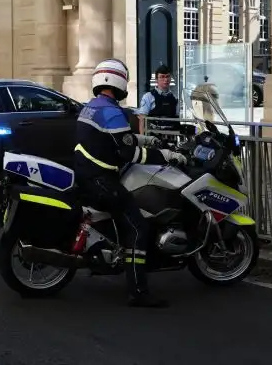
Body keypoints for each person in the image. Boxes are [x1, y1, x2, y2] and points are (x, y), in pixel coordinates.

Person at [74, 58, 188, 308]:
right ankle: (138, 291)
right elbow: (129, 153)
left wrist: (147, 140)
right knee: (137, 228)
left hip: (86, 175)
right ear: (118, 81)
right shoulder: (112, 111)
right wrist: (166, 156)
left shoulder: (92, 107)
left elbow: (118, 139)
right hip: (102, 180)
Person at [136, 65, 180, 133]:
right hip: (153, 137)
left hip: (171, 136)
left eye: (167, 76)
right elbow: (142, 119)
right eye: (162, 77)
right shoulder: (148, 96)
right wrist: (142, 138)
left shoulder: (175, 98)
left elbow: (177, 119)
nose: (166, 79)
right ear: (156, 79)